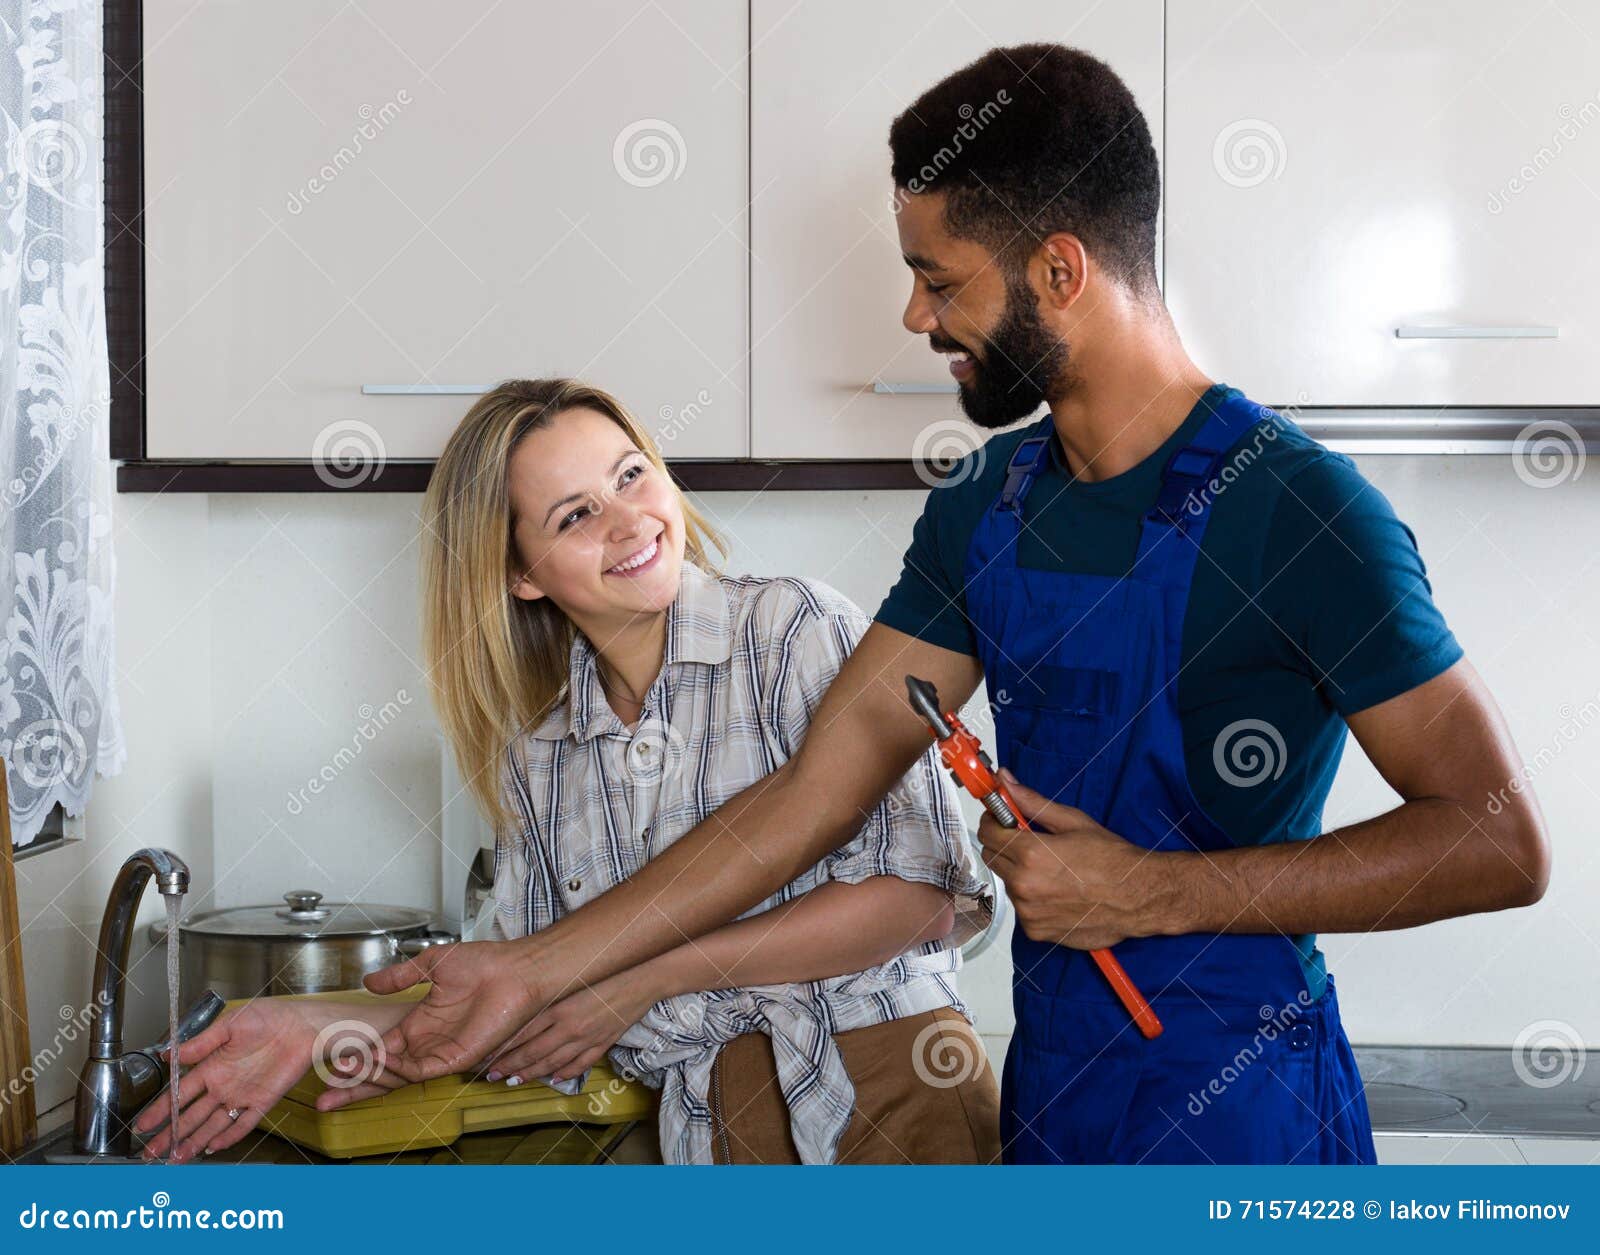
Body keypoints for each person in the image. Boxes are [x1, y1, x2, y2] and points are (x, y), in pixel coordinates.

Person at [342, 46, 1550, 1165]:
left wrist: (1159, 890)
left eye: (937, 279)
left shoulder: (1296, 510)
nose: (917, 318)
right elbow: (814, 791)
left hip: (1244, 1113)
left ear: (1059, 270)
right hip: (1053, 1091)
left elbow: (1498, 837)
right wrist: (529, 967)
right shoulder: (985, 503)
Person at [136, 378, 999, 1165]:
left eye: (630, 476)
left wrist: (643, 978)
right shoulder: (539, 758)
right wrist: (311, 1027)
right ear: (519, 573)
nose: (627, 521)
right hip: (712, 1126)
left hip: (889, 1079)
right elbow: (523, 978)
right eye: (574, 515)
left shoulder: (791, 629)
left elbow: (915, 898)